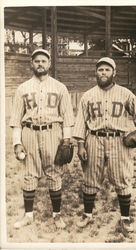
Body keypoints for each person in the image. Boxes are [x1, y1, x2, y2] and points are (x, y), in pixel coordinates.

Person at [73, 57, 136, 233]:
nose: (104, 73)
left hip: (119, 141)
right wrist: (80, 145)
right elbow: (80, 122)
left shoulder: (125, 94)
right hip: (94, 138)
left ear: (114, 73)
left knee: (122, 178)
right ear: (96, 73)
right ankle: (87, 215)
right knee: (90, 177)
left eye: (107, 70)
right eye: (100, 70)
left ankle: (125, 218)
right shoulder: (88, 96)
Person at [9, 48, 74, 229]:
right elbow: (15, 119)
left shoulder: (60, 87)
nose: (40, 64)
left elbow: (67, 117)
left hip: (53, 132)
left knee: (54, 172)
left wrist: (67, 141)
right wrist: (16, 142)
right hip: (29, 132)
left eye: (43, 61)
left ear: (49, 64)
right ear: (32, 64)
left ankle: (57, 215)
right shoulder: (23, 88)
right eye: (36, 61)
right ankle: (28, 215)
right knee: (29, 172)